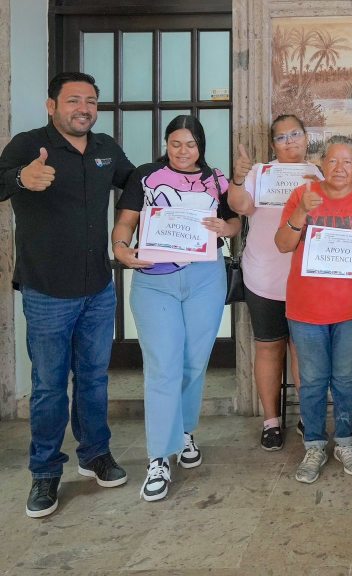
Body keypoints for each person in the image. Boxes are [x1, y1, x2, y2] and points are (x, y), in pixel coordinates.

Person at [0, 72, 134, 517]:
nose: (83, 108)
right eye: (74, 99)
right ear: (51, 105)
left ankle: (95, 454)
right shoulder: (28, 144)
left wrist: (200, 183)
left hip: (97, 286)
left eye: (91, 101)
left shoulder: (104, 148)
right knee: (49, 386)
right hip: (47, 290)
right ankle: (45, 472)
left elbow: (139, 185)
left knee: (94, 380)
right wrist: (22, 177)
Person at [111, 114, 240, 501]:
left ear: (201, 145)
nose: (184, 151)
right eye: (176, 143)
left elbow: (234, 221)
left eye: (191, 144)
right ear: (166, 143)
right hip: (154, 281)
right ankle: (159, 457)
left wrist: (226, 229)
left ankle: (184, 431)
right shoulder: (145, 176)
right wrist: (120, 249)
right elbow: (125, 223)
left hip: (205, 278)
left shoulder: (216, 180)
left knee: (193, 361)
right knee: (163, 366)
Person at [275, 135, 352, 483]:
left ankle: (346, 442)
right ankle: (315, 444)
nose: (339, 168)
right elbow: (283, 244)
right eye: (333, 161)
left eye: (347, 162)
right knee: (314, 381)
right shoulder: (302, 195)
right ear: (321, 163)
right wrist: (303, 210)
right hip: (306, 308)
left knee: (347, 379)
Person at [228, 114, 316, 450]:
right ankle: (271, 421)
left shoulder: (317, 175)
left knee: (302, 351)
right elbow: (239, 205)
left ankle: (307, 418)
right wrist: (237, 180)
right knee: (268, 347)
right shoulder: (258, 174)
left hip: (305, 280)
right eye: (281, 137)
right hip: (263, 276)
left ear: (306, 138)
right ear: (272, 144)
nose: (290, 141)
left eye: (296, 134)